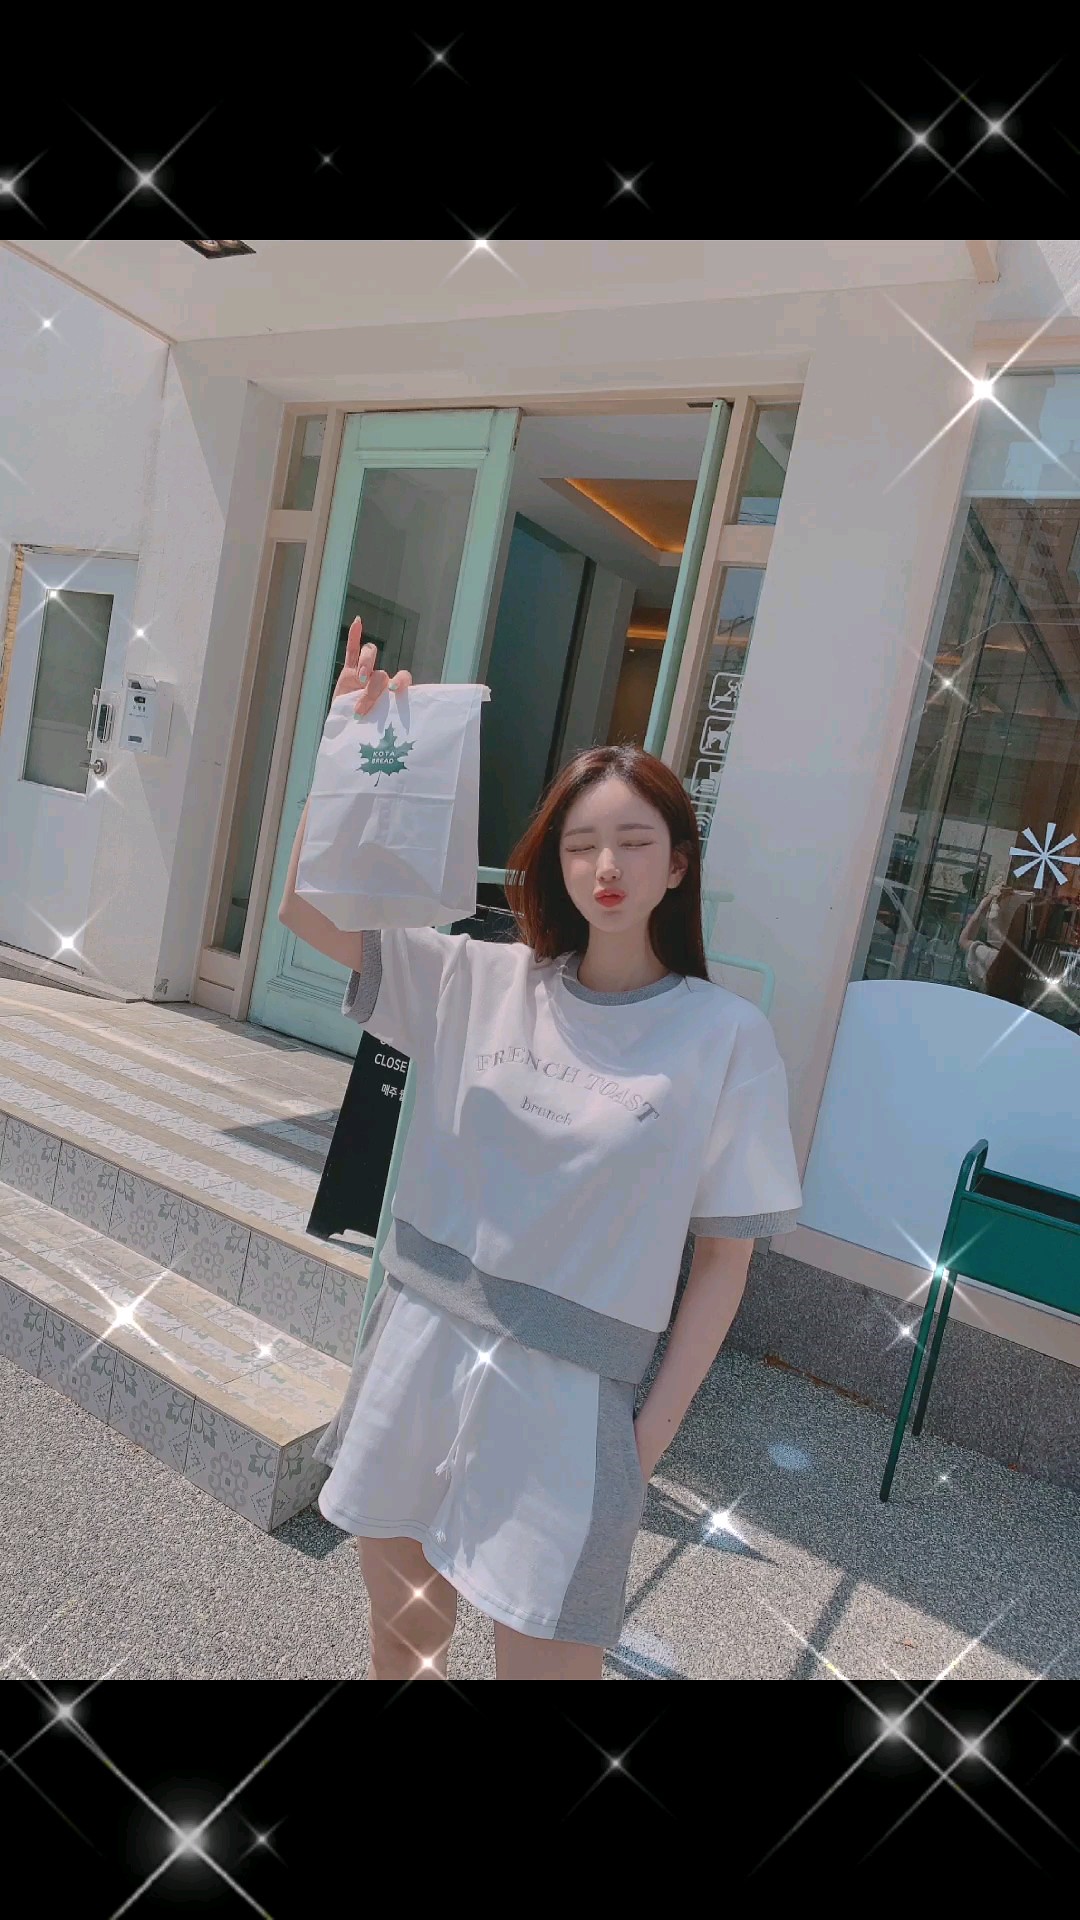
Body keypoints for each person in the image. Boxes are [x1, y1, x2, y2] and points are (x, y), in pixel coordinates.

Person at [278, 618, 803, 1681]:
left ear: (678, 864)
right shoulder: (478, 978)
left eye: (634, 842)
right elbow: (306, 908)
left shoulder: (725, 1038)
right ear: (554, 864)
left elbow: (725, 1261)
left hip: (571, 1397)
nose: (605, 865)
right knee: (405, 1646)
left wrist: (640, 1446)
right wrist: (347, 750)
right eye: (579, 844)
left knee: (547, 1673)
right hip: (424, 1345)